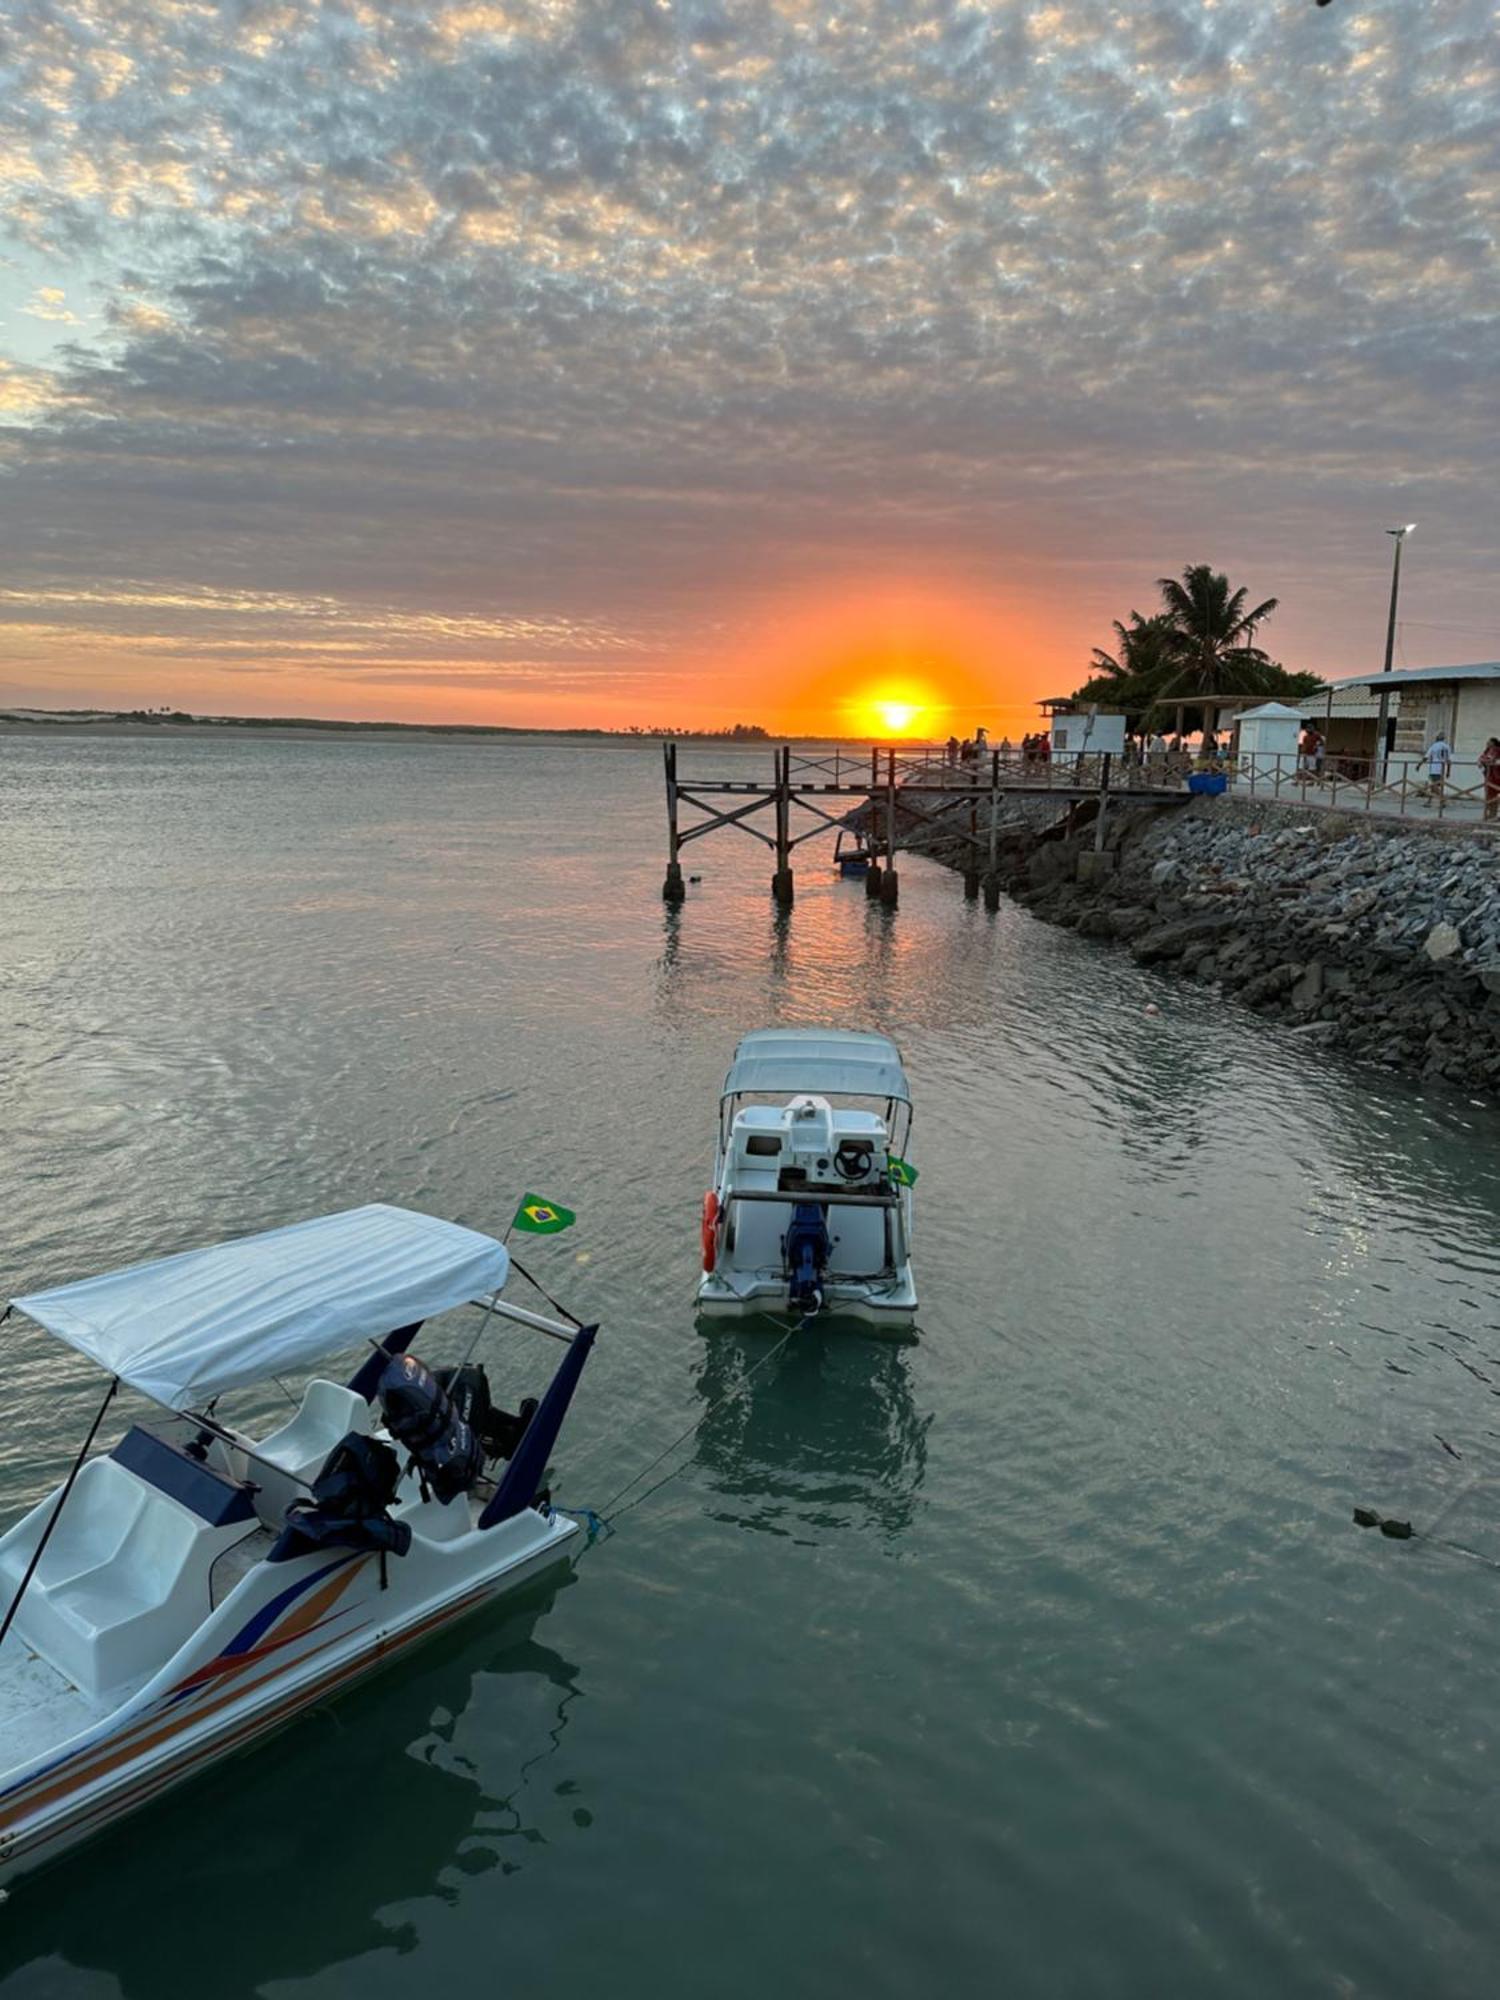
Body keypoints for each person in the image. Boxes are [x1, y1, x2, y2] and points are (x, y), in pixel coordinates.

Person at [1426, 731, 1452, 798]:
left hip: (1434, 768)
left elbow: (1426, 757)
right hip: (1442, 768)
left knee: (1433, 785)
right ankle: (1429, 801)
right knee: (1435, 785)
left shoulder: (1434, 746)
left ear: (1437, 738)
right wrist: (1448, 771)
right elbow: (1448, 760)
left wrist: (1419, 765)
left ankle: (1442, 798)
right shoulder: (1447, 747)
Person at [1480, 737, 1500, 822]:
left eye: (1489, 741)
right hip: (1488, 775)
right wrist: (1482, 761)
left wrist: (1484, 761)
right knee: (1489, 795)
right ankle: (1488, 814)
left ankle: (1493, 815)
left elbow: (1491, 760)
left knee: (1493, 795)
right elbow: (1481, 758)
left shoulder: (1496, 750)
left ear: (1493, 743)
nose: (1487, 742)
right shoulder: (1487, 750)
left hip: (1496, 776)